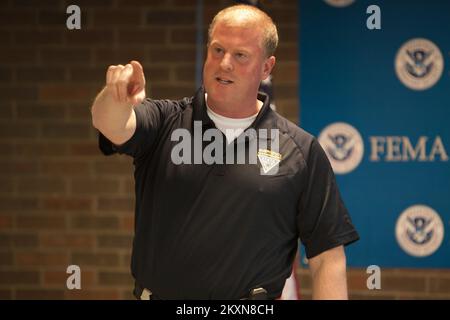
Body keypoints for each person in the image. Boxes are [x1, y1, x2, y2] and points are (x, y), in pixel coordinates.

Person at [91, 4, 359, 300]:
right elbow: (110, 123)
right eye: (217, 50)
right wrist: (117, 97)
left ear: (267, 67)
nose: (225, 63)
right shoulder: (165, 121)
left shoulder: (300, 150)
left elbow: (327, 258)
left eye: (240, 55)